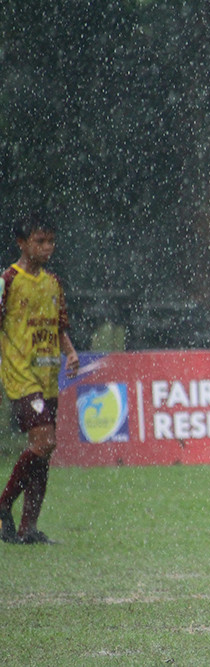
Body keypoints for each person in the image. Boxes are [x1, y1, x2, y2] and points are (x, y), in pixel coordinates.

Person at [0, 212, 79, 545]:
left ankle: (27, 529)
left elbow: (59, 324)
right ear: (22, 243)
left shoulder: (53, 283)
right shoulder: (8, 280)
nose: (47, 247)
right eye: (39, 241)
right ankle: (3, 504)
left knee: (44, 451)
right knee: (45, 442)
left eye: (50, 241)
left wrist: (71, 352)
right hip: (21, 376)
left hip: (47, 378)